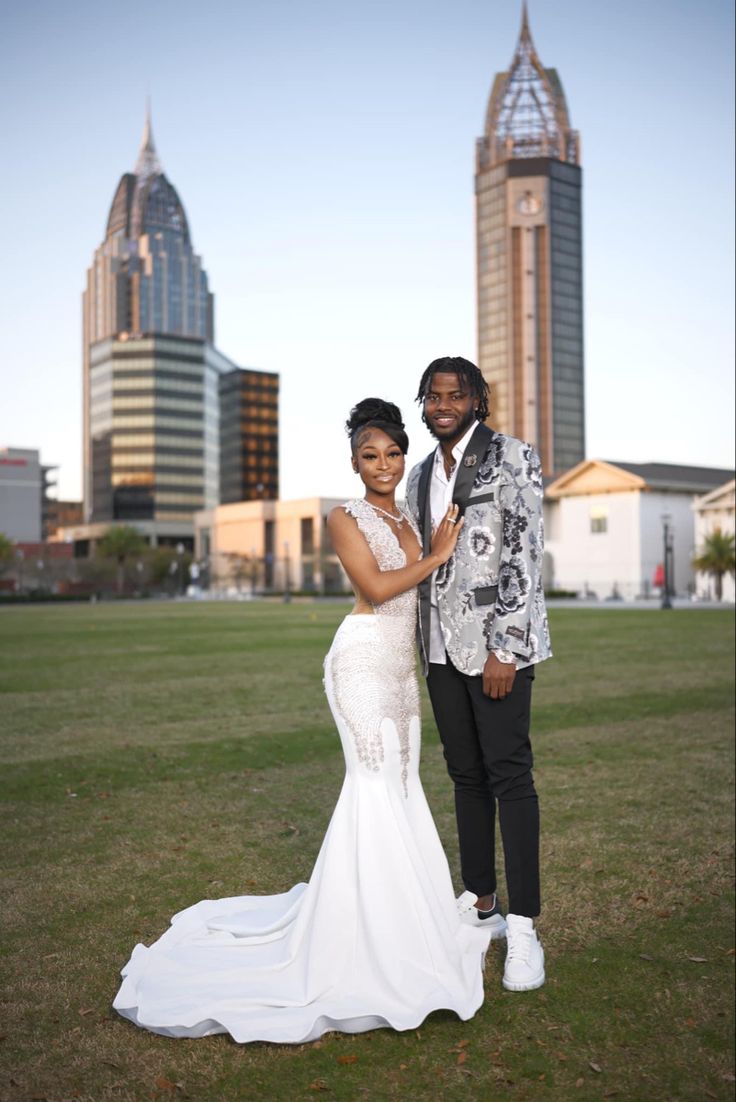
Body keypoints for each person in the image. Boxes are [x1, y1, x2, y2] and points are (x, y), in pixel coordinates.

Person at [112, 398, 491, 1044]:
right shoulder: (343, 518)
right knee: (371, 787)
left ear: (404, 457)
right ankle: (358, 945)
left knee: (402, 787)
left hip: (402, 672)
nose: (383, 465)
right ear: (353, 461)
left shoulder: (406, 514)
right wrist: (440, 554)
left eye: (393, 454)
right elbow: (375, 589)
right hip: (361, 664)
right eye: (370, 456)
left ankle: (406, 926)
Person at [405, 357, 552, 993]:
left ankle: (524, 929)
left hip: (496, 651)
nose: (444, 404)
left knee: (509, 779)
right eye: (434, 395)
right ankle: (483, 904)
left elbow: (524, 551)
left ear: (476, 400)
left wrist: (507, 648)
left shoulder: (512, 456)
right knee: (465, 777)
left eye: (455, 394)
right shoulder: (416, 475)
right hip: (438, 650)